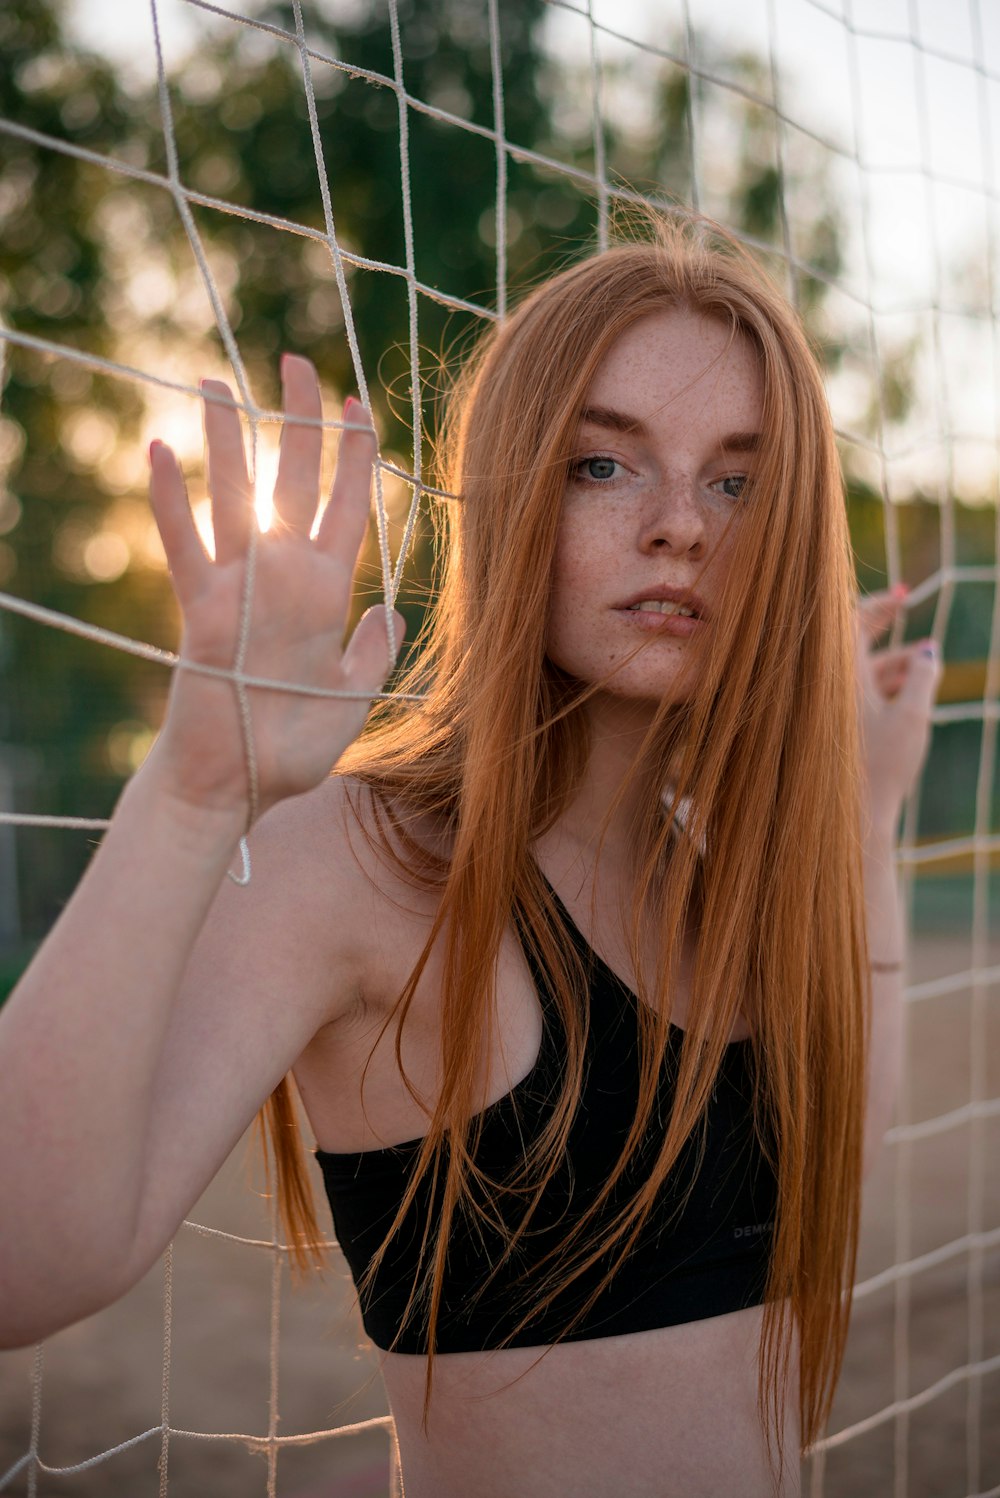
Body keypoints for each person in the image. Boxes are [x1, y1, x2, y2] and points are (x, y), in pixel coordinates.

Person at [0, 214, 938, 1498]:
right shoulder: (366, 859)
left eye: (736, 480)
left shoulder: (714, 865)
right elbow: (25, 1263)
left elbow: (841, 1139)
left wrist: (869, 816)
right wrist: (194, 790)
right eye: (604, 467)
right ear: (509, 492)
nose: (682, 527)